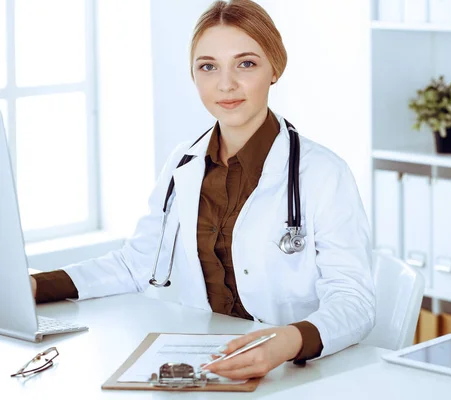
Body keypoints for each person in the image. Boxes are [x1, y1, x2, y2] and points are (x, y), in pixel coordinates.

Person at [30, 0, 374, 380]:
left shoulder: (322, 173)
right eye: (208, 67)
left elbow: (354, 301)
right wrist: (31, 286)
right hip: (209, 364)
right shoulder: (184, 163)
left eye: (246, 64)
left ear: (274, 68)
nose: (225, 84)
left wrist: (287, 341)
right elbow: (136, 264)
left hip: (296, 372)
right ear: (194, 75)